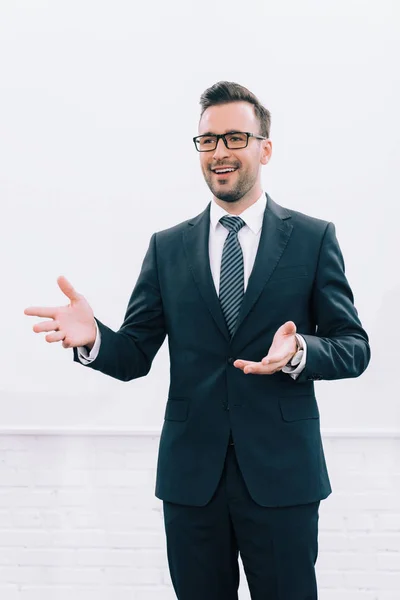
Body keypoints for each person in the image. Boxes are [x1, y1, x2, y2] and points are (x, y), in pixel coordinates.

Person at [24, 81, 370, 600]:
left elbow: (353, 346)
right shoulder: (167, 248)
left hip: (282, 477)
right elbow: (135, 354)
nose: (220, 152)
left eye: (235, 137)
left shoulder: (313, 238)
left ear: (265, 148)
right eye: (207, 140)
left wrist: (299, 353)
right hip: (192, 481)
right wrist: (95, 339)